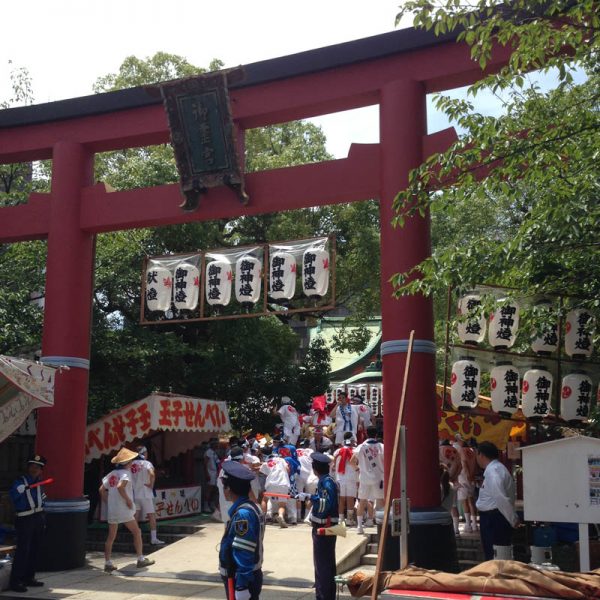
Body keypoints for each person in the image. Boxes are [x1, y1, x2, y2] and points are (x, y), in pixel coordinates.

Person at [100, 447, 155, 572]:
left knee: (111, 537)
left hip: (113, 509)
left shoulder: (112, 474)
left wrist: (109, 502)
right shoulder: (126, 474)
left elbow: (101, 490)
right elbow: (120, 487)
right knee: (137, 532)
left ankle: (108, 563)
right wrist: (128, 501)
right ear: (128, 462)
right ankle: (140, 559)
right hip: (124, 508)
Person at [218, 461, 265, 600]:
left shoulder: (243, 515)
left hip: (240, 577)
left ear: (229, 489)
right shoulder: (251, 507)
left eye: (225, 487)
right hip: (245, 575)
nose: (224, 490)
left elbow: (244, 550)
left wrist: (241, 586)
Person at [298, 452, 339, 600]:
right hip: (325, 526)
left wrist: (310, 497)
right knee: (325, 564)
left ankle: (324, 596)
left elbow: (325, 503)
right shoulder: (326, 480)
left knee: (323, 566)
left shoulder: (326, 482)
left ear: (315, 469)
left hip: (324, 527)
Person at [8, 455, 48, 593]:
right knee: (23, 551)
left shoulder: (40, 483)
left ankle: (28, 578)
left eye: (37, 467)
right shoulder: (20, 481)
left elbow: (42, 500)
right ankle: (16, 581)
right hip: (25, 519)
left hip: (38, 518)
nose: (34, 469)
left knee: (35, 550)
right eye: (32, 466)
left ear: (41, 470)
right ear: (28, 467)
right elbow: (12, 495)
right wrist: (18, 490)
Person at [475, 441, 520, 560]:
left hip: (494, 518)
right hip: (493, 517)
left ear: (481, 455)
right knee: (496, 554)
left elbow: (500, 497)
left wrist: (513, 519)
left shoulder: (493, 471)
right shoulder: (496, 469)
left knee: (495, 556)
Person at [353, 426, 384, 534]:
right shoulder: (381, 446)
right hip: (378, 477)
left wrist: (358, 469)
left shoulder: (361, 447)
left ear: (366, 433)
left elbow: (352, 461)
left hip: (365, 477)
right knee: (380, 501)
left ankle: (359, 527)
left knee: (362, 501)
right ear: (376, 434)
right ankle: (380, 525)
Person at [130, 446, 164, 545]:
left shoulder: (131, 464)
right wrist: (151, 485)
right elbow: (152, 474)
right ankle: (153, 538)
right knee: (151, 515)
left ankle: (135, 538)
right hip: (146, 494)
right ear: (144, 453)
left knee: (135, 515)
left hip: (135, 493)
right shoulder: (147, 463)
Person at [333, 438, 358, 526]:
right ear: (352, 444)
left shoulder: (337, 451)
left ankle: (340, 519)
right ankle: (349, 519)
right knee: (350, 498)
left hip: (340, 477)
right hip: (351, 477)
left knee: (341, 498)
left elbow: (334, 461)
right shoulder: (355, 451)